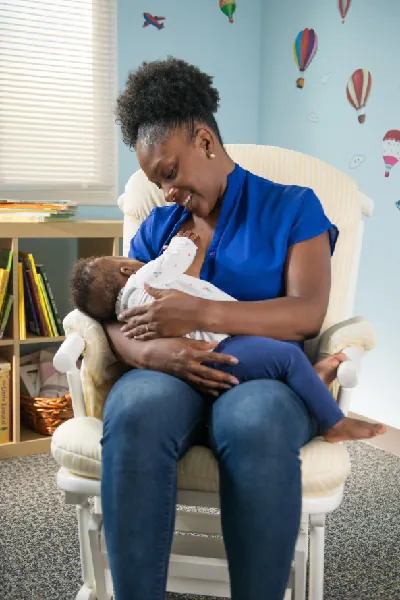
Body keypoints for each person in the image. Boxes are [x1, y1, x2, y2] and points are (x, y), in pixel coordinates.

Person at [100, 57, 385, 600]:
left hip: (261, 381)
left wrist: (201, 313)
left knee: (255, 420)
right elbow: (115, 313)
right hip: (166, 375)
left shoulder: (293, 207)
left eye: (168, 172)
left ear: (205, 141)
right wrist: (152, 356)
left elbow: (306, 313)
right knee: (134, 410)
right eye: (155, 181)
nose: (164, 193)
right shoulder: (159, 227)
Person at [71, 231, 385, 442]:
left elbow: (181, 278)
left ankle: (307, 381)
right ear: (127, 271)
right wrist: (182, 243)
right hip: (221, 349)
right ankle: (333, 422)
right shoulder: (142, 281)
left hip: (211, 353)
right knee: (286, 356)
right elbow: (173, 262)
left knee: (276, 359)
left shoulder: (126, 314)